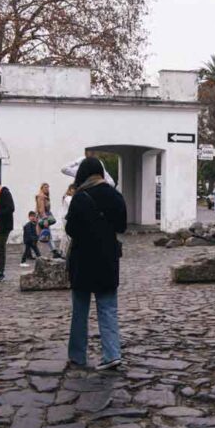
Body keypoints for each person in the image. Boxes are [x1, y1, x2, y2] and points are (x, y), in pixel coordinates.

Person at [65, 157, 127, 371]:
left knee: (80, 311)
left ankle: (77, 355)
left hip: (82, 259)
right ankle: (112, 354)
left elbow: (70, 229)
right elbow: (122, 226)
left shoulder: (80, 197)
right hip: (107, 258)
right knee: (108, 307)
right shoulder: (115, 196)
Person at [58, 184, 75, 258]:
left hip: (67, 217)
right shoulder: (68, 198)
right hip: (66, 218)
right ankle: (64, 252)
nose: (74, 191)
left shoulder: (69, 197)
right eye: (73, 189)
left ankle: (62, 251)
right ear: (70, 189)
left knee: (66, 235)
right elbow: (72, 205)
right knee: (67, 236)